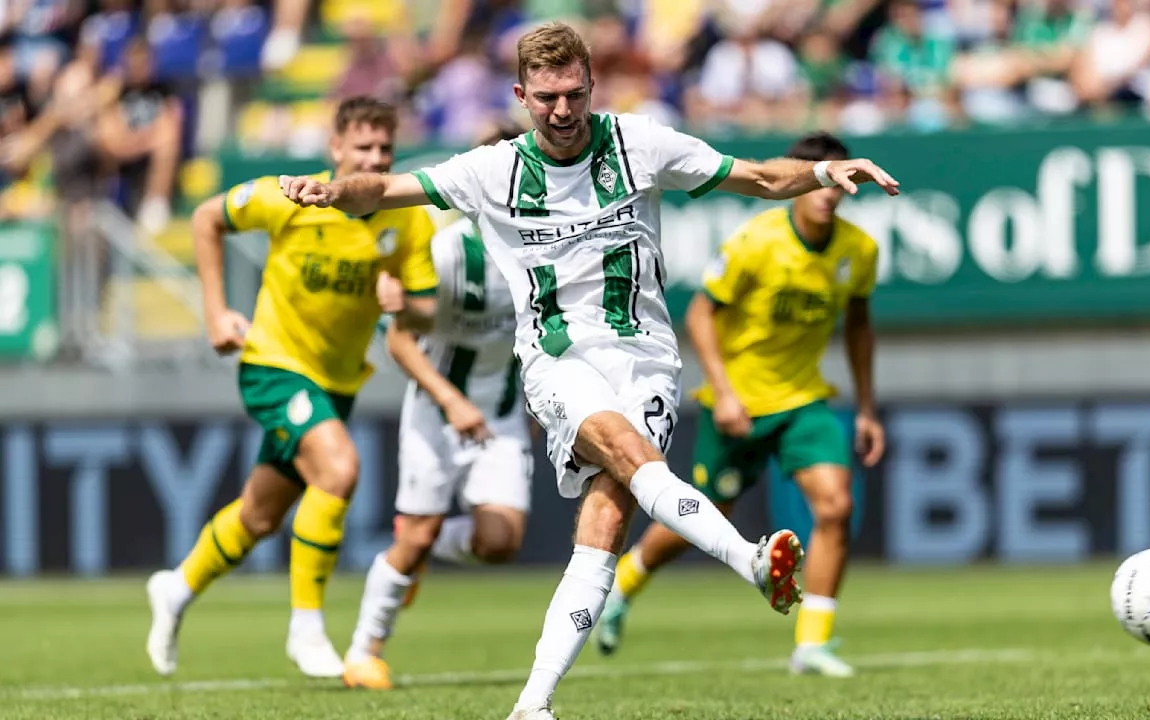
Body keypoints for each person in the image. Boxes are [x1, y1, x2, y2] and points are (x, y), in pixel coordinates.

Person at [279, 22, 899, 719]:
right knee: (628, 456)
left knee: (604, 523)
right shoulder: (492, 171)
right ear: (521, 94)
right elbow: (389, 187)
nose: (563, 111)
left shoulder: (642, 143)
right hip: (559, 359)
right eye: (546, 98)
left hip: (649, 362)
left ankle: (532, 706)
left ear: (591, 85)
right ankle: (749, 560)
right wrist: (333, 193)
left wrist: (821, 173)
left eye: (574, 94)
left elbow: (754, 176)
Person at [144, 96, 440, 680]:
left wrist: (407, 307)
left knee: (259, 515)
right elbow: (206, 218)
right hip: (273, 361)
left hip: (336, 381)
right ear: (335, 149)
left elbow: (428, 311)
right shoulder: (292, 195)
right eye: (363, 147)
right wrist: (215, 313)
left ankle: (175, 588)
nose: (377, 158)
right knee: (339, 469)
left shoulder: (407, 215)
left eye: (385, 148)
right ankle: (306, 626)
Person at [596, 131, 885, 677]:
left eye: (836, 178)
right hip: (741, 405)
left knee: (836, 507)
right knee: (703, 517)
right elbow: (702, 313)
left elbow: (860, 327)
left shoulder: (858, 251)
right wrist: (723, 392)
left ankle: (812, 644)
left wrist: (867, 407)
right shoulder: (757, 241)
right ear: (799, 181)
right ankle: (625, 585)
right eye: (815, 176)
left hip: (803, 400)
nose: (827, 191)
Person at [342, 123, 536, 690]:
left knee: (499, 544)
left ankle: (417, 549)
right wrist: (451, 399)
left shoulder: (549, 247)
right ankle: (363, 652)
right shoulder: (448, 248)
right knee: (417, 536)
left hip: (498, 414)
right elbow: (402, 337)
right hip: (436, 406)